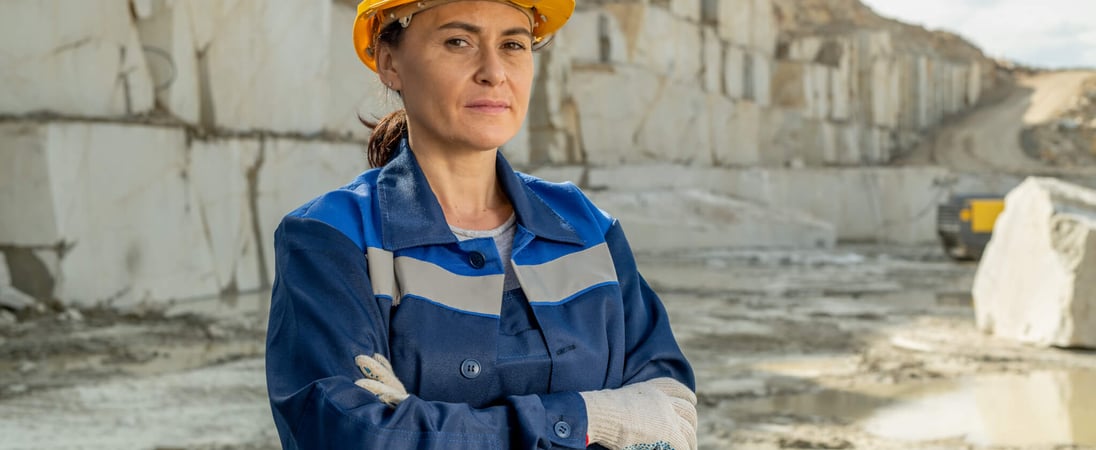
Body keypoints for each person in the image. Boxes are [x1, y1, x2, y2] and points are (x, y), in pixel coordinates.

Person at [264, 1, 697, 448]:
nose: (494, 71)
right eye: (458, 41)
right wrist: (595, 417)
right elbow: (351, 437)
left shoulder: (586, 229)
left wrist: (422, 423)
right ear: (389, 62)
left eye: (513, 44)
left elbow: (673, 418)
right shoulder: (330, 239)